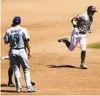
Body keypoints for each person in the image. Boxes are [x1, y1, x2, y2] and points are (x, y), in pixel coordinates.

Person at [4, 16, 37, 92]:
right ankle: (29, 87)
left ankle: (18, 88)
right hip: (22, 51)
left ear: (13, 22)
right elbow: (27, 41)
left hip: (13, 51)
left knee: (16, 69)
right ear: (20, 22)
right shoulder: (23, 30)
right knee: (26, 69)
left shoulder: (9, 30)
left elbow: (6, 42)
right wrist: (29, 51)